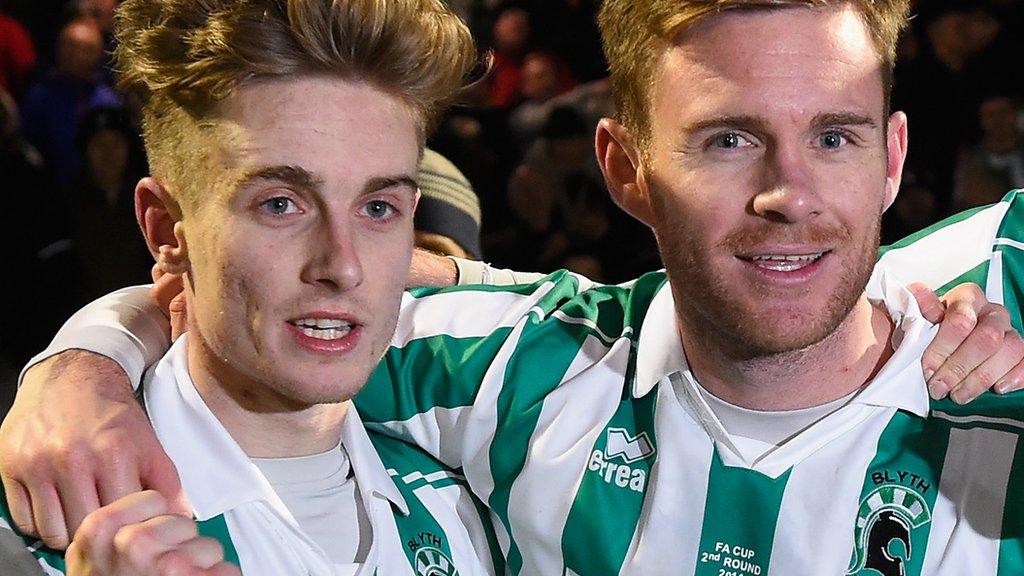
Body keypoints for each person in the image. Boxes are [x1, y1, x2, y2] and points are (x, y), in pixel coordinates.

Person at [6, 0, 1024, 574]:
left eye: (833, 137)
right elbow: (264, 307)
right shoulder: (505, 368)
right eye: (725, 140)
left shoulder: (996, 384)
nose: (785, 196)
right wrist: (85, 362)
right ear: (624, 168)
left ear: (893, 157)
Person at [0, 0, 505, 574]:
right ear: (167, 230)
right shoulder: (28, 536)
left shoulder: (473, 510)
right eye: (281, 204)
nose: (342, 266)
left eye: (378, 207)